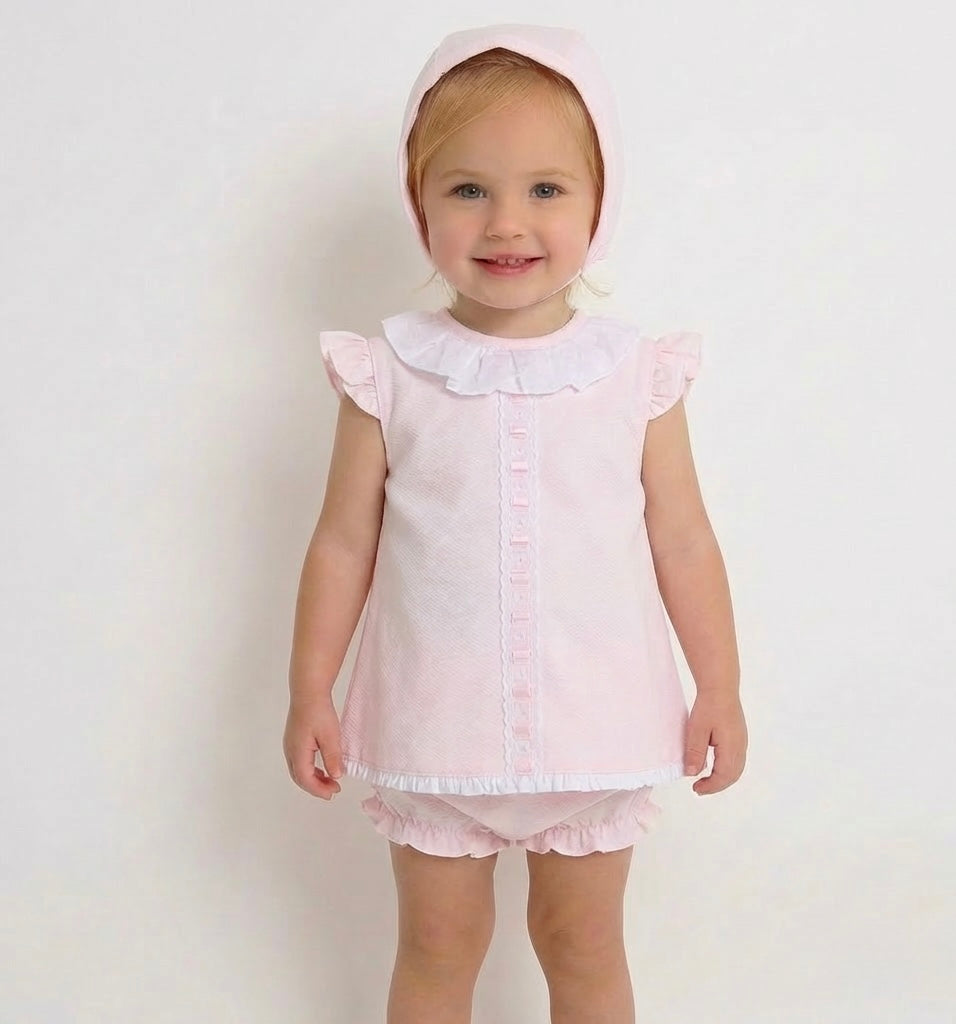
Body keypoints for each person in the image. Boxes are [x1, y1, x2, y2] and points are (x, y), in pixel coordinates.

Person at [283, 23, 747, 1023]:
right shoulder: (389, 371)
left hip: (595, 727)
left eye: (545, 188)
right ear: (419, 203)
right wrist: (309, 686)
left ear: (599, 202)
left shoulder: (633, 374)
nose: (506, 223)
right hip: (435, 727)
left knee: (582, 946)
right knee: (436, 947)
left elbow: (682, 538)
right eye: (467, 189)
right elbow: (342, 543)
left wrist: (719, 684)